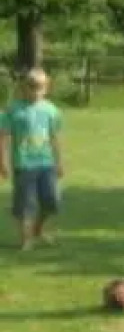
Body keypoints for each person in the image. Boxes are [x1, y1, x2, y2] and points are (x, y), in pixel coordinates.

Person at [0, 69, 64, 249]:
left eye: (40, 87)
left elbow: (55, 138)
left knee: (51, 202)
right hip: (24, 164)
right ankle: (26, 238)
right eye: (32, 86)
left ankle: (38, 229)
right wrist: (2, 161)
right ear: (24, 87)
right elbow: (3, 136)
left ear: (46, 88)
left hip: (46, 163)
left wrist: (59, 162)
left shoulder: (51, 110)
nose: (36, 91)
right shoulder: (13, 110)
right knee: (25, 203)